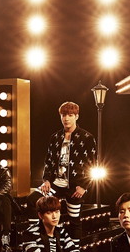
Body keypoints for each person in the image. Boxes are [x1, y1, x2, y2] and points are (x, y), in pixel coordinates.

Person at [32, 101, 97, 239]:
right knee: (33, 199)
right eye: (63, 115)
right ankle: (38, 239)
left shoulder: (86, 137)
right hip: (56, 184)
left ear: (76, 116)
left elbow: (93, 164)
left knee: (74, 220)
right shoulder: (55, 137)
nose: (66, 118)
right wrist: (46, 180)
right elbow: (48, 161)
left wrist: (84, 186)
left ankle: (75, 249)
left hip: (75, 186)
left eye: (70, 115)